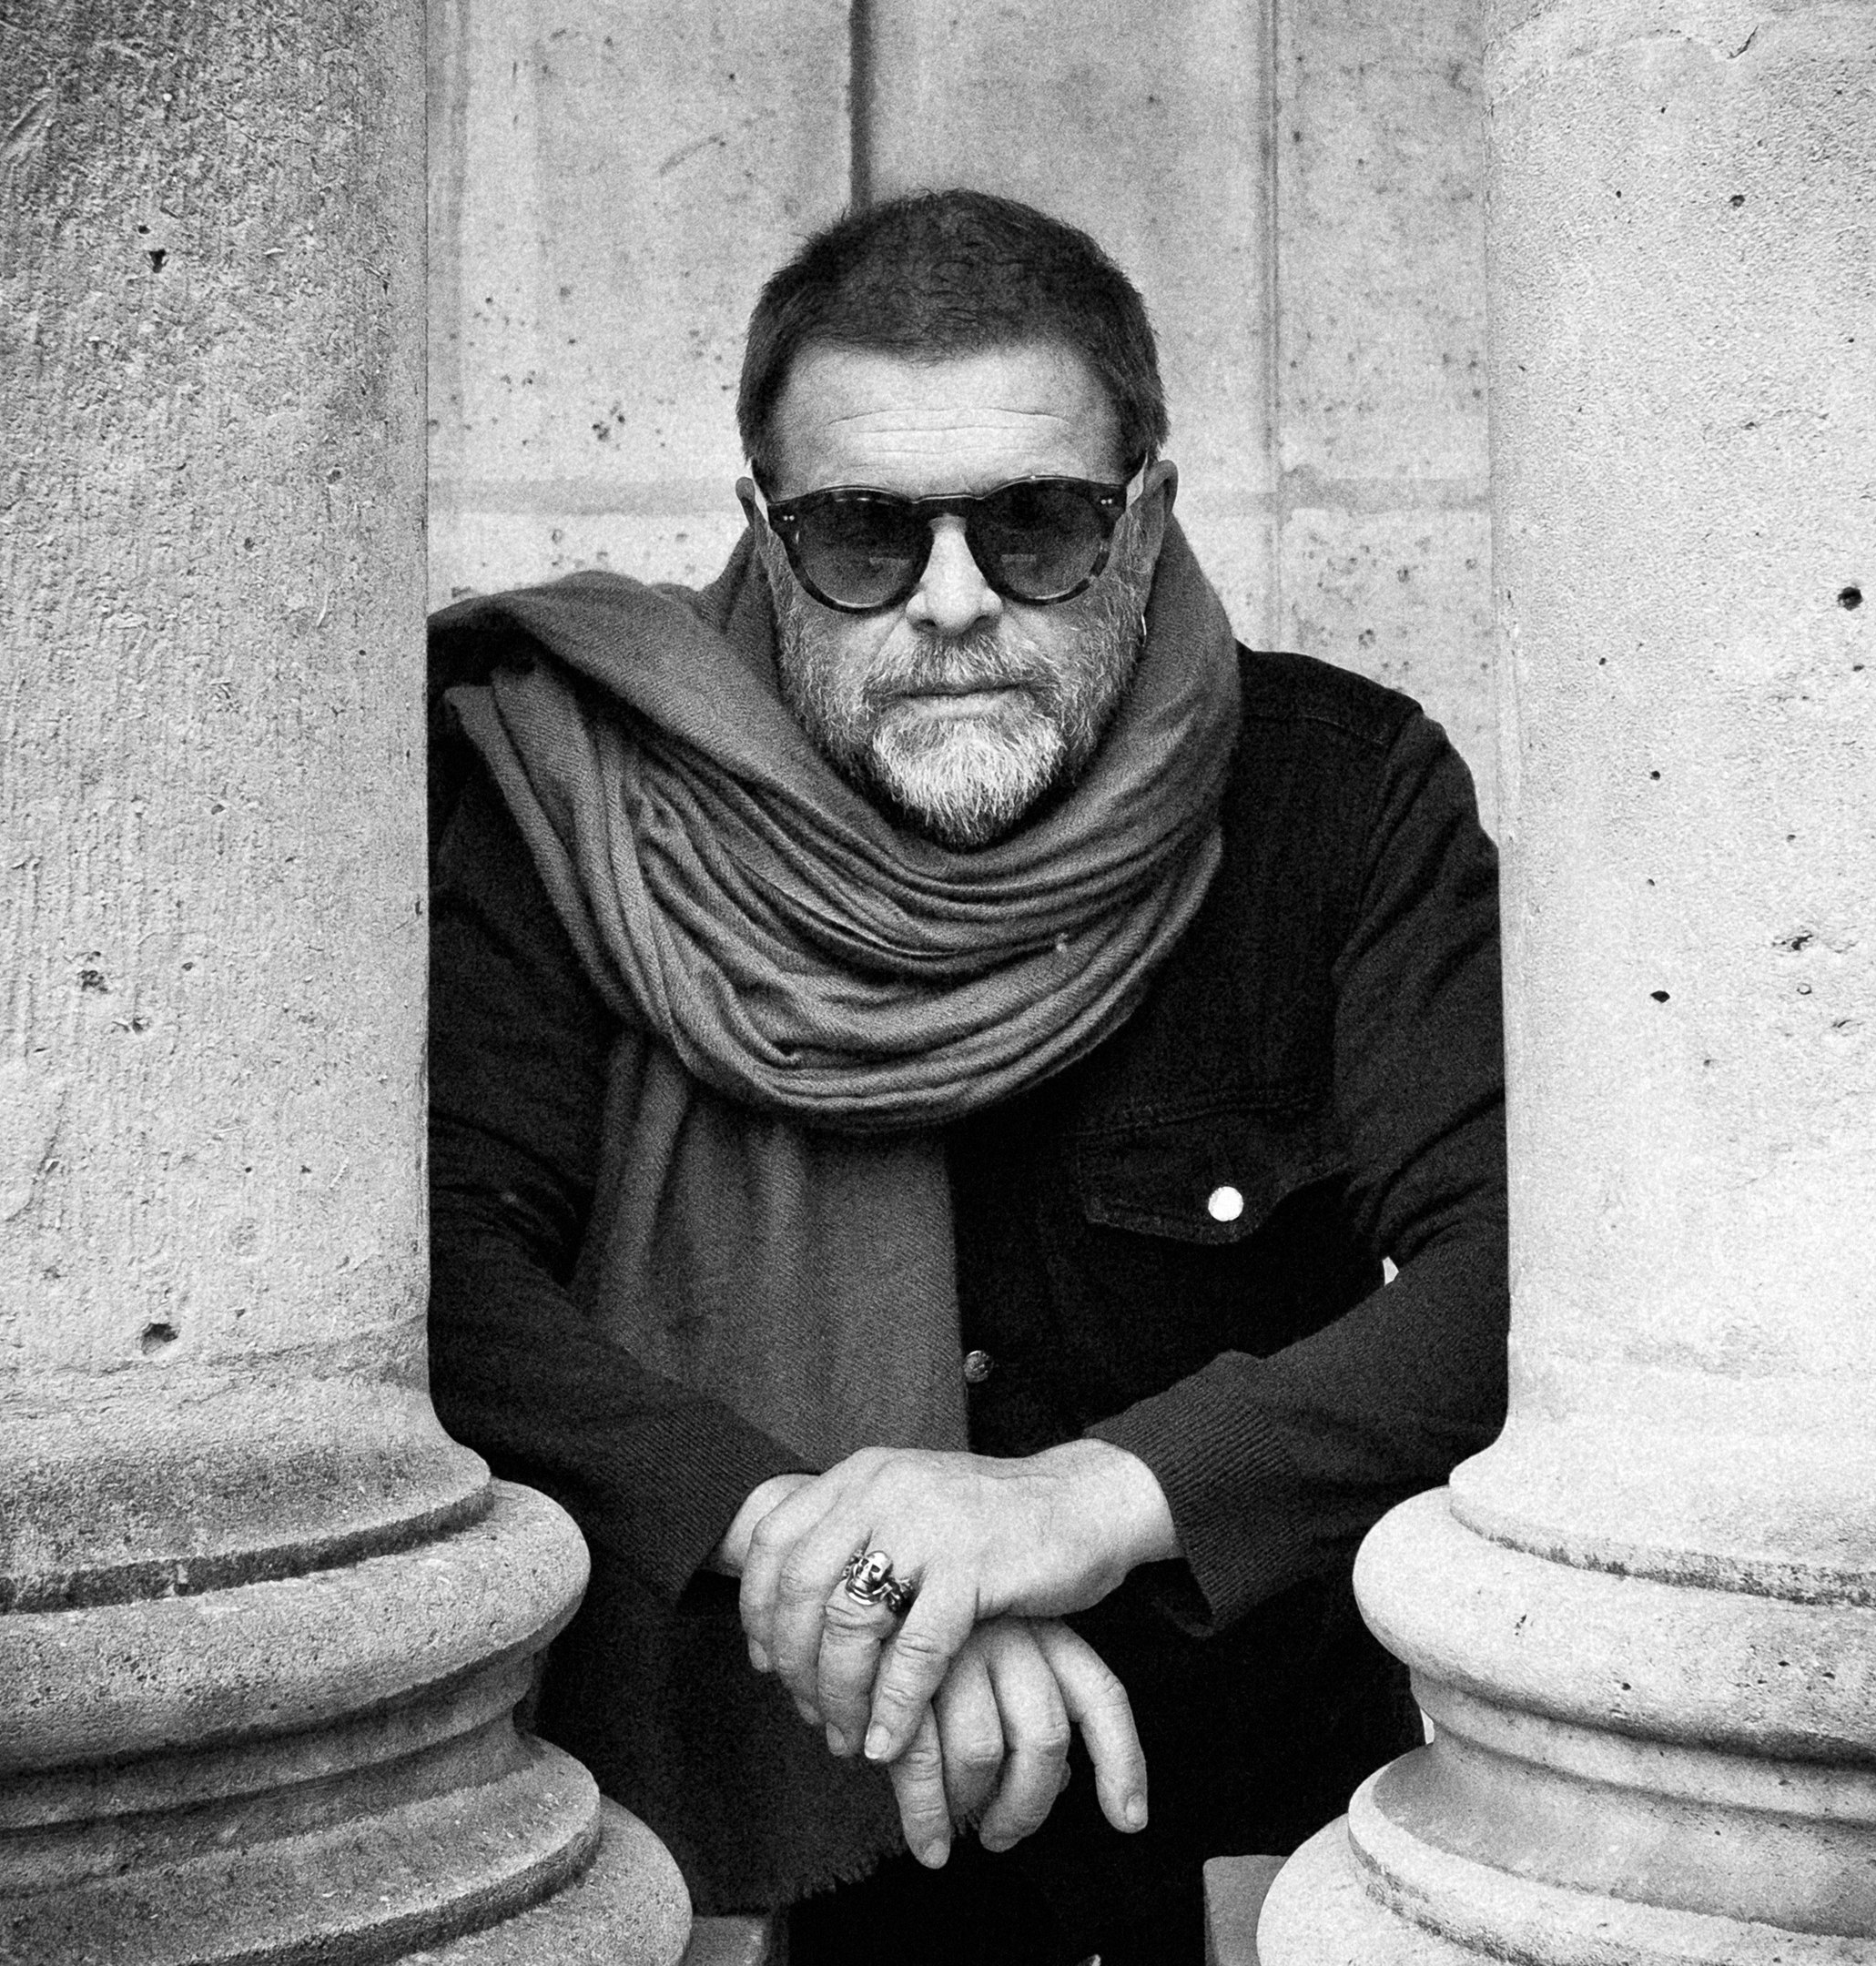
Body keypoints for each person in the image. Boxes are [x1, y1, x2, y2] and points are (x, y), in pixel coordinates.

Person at [425, 188, 1506, 1964]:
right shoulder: (582, 803)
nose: (950, 603)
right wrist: (862, 1567)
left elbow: (1516, 1281)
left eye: (1037, 525)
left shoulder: (1348, 798)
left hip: (1243, 1856)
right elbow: (446, 1286)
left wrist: (1082, 1505)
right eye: (864, 534)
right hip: (725, 1878)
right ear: (764, 530)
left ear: (1148, 516)